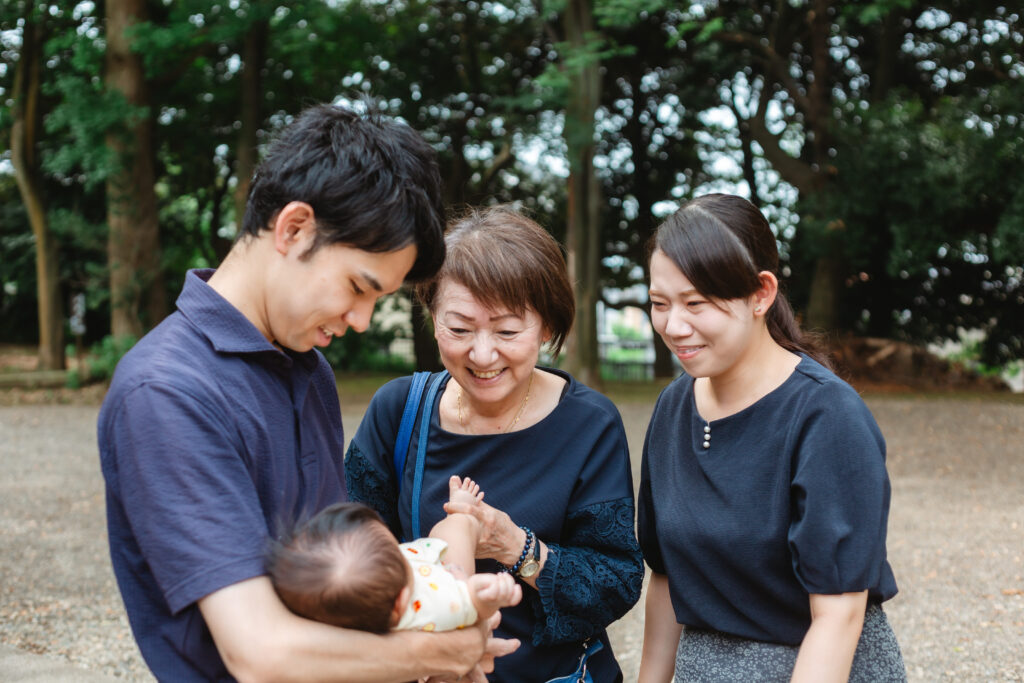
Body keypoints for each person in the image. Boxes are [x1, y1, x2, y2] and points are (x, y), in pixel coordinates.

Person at [97, 103, 518, 683]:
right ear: (294, 228)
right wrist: (438, 654)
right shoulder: (167, 392)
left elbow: (337, 582)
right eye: (358, 287)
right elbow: (260, 653)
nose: (365, 320)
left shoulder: (308, 368)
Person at [345, 205, 645, 683]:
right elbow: (346, 547)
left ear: (547, 327)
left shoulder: (588, 423)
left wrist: (518, 547)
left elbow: (616, 581)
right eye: (459, 329)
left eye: (507, 331)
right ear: (432, 315)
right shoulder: (399, 411)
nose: (482, 355)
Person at [636, 193, 906, 682]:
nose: (673, 326)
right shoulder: (673, 407)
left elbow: (839, 614)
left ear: (761, 294)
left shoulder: (828, 416)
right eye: (659, 303)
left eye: (696, 303)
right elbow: (666, 577)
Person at [266, 479, 522, 634]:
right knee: (457, 526)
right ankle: (461, 509)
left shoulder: (341, 606)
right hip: (445, 578)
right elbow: (482, 613)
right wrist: (485, 594)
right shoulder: (434, 607)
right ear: (401, 603)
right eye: (396, 551)